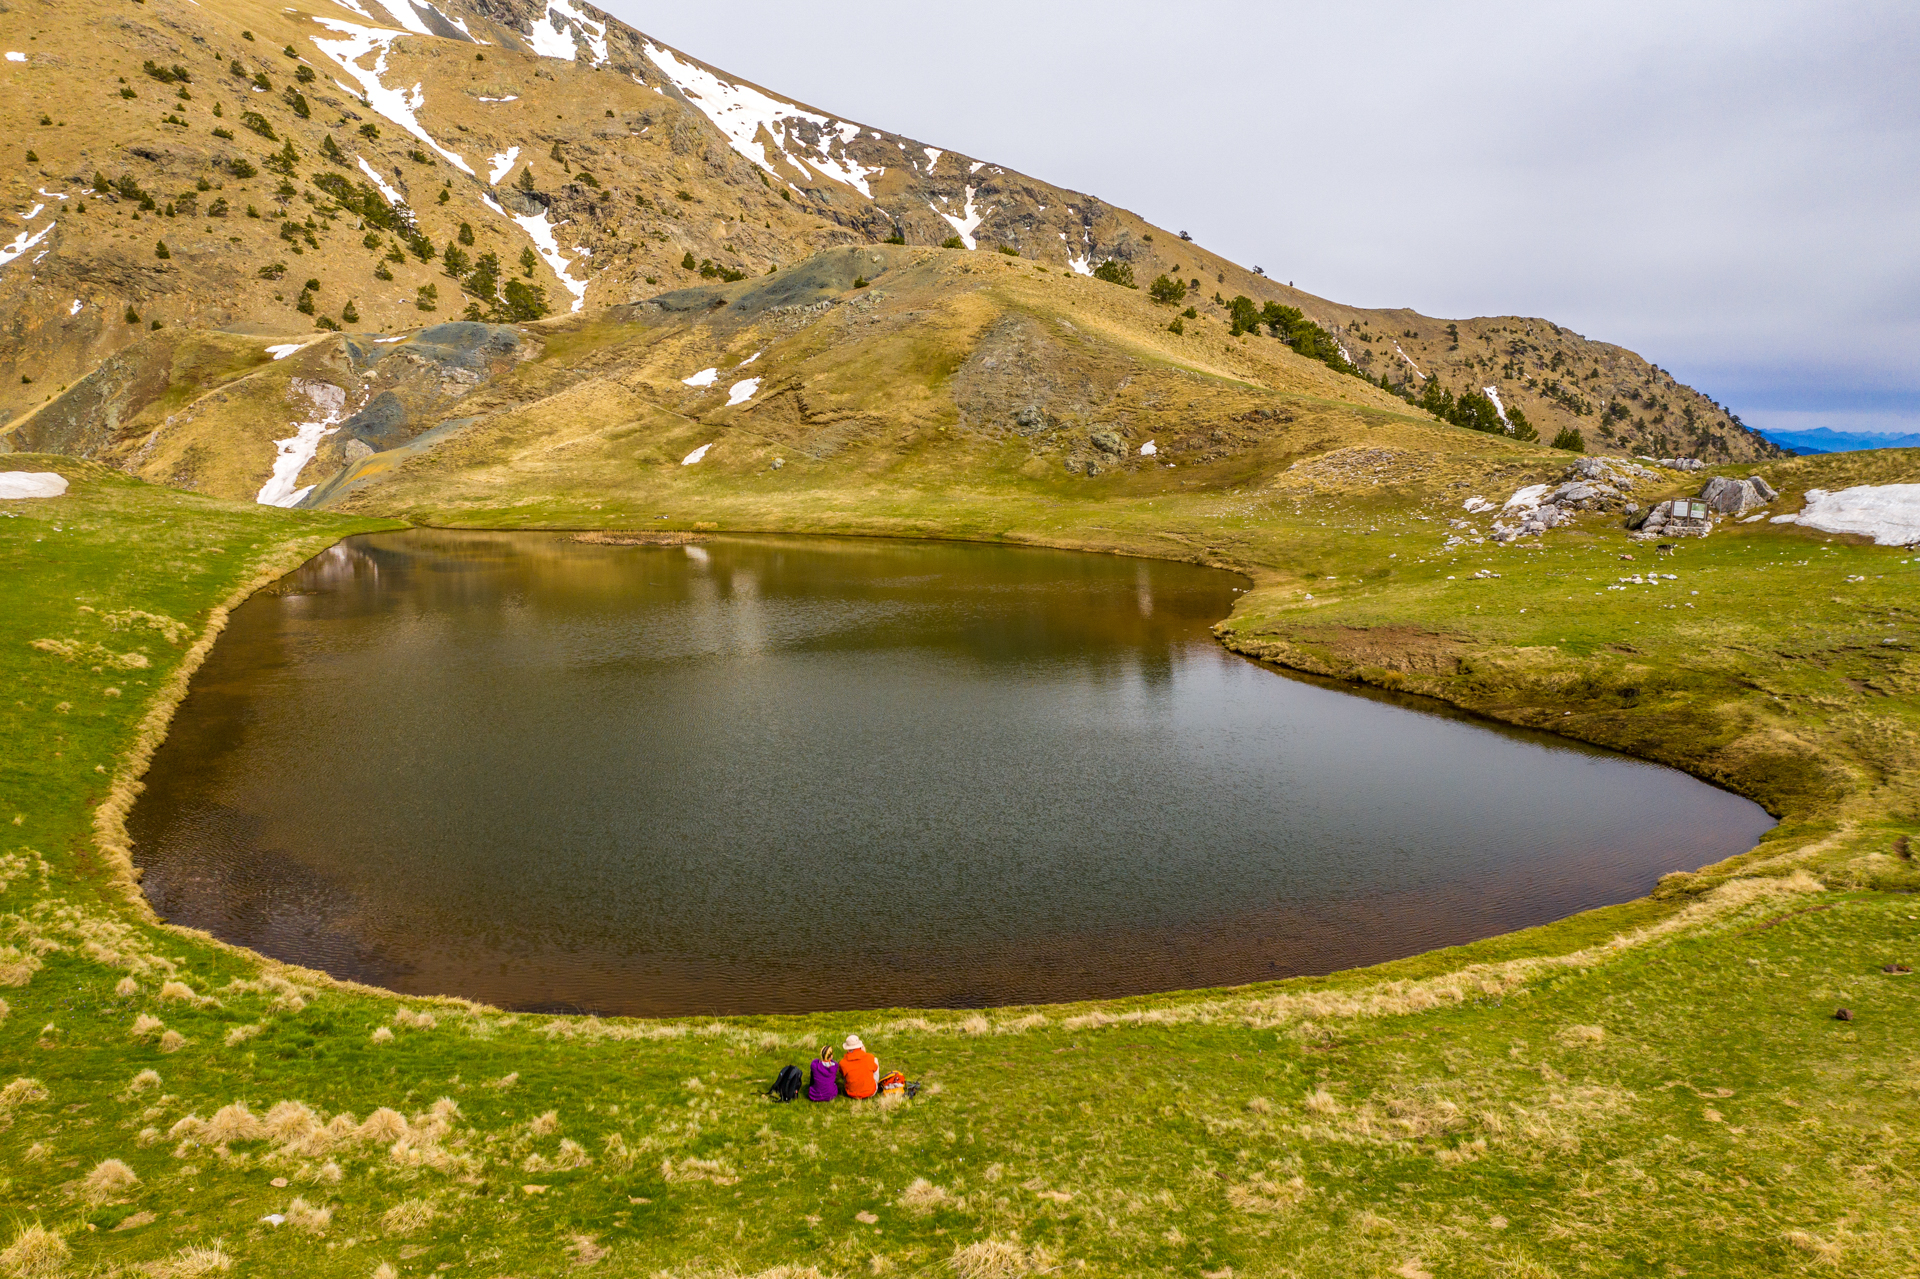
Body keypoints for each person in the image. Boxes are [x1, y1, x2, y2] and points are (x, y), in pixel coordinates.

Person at [838, 1034, 879, 1100]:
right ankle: (874, 1083)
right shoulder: (870, 1057)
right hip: (871, 1092)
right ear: (860, 1046)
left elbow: (842, 1074)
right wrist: (864, 1053)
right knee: (875, 1060)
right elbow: (874, 1067)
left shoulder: (842, 1063)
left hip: (852, 1094)